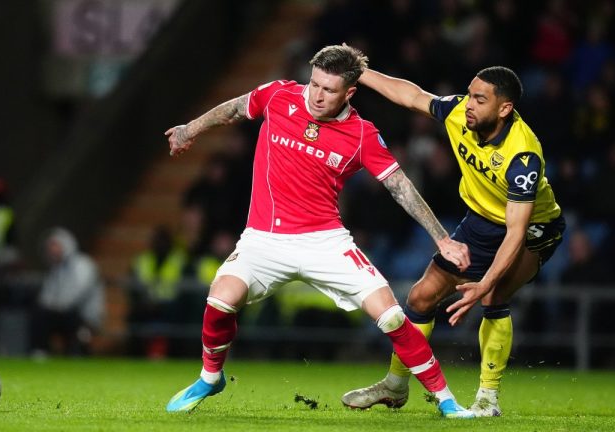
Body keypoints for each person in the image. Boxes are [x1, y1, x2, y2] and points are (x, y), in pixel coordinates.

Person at [163, 44, 475, 418]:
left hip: (325, 241)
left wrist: (441, 237)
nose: (317, 95)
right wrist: (188, 128)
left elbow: (400, 187)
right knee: (220, 299)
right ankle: (210, 378)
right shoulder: (279, 95)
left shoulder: (361, 134)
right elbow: (233, 108)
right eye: (314, 84)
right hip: (264, 238)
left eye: (329, 90)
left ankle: (447, 401)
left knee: (391, 316)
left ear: (350, 92)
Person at [341, 65, 565, 417]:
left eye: (480, 99)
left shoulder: (522, 156)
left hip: (533, 227)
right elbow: (411, 95)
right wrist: (360, 71)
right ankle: (396, 385)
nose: (469, 104)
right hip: (479, 221)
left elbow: (516, 231)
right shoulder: (460, 113)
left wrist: (485, 282)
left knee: (493, 294)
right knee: (420, 296)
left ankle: (488, 398)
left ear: (504, 109)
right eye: (469, 94)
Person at [31, 227, 104, 356]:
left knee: (66, 320)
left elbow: (76, 295)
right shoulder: (56, 268)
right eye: (50, 246)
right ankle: (40, 352)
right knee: (39, 315)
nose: (52, 250)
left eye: (55, 245)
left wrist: (53, 307)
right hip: (61, 314)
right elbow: (45, 296)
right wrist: (48, 307)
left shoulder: (83, 264)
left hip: (83, 316)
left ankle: (77, 351)